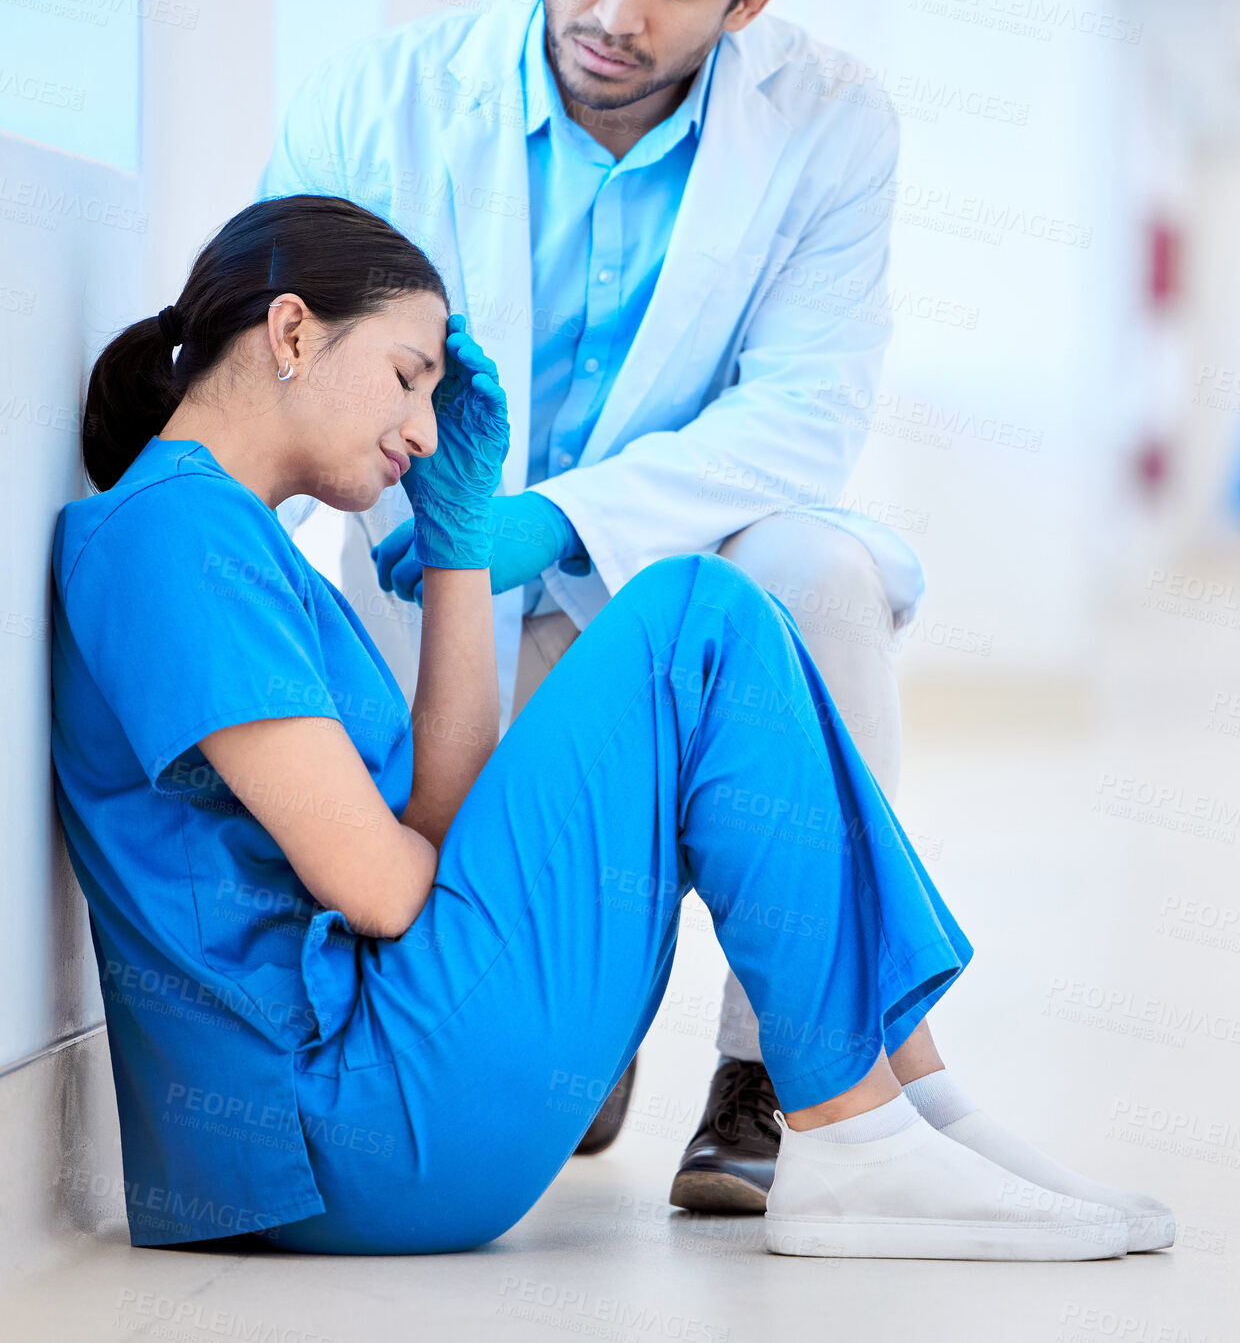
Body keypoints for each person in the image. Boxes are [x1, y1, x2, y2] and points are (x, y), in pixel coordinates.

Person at [50, 196, 1172, 1260]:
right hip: (341, 1123)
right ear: (290, 331)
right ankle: (856, 1129)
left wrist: (457, 548)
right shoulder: (166, 534)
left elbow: (437, 826)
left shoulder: (240, 548)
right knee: (697, 612)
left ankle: (905, 1105)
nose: (424, 431)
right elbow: (389, 891)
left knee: (716, 615)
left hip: (383, 1100)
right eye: (406, 376)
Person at [256, 0, 926, 1195]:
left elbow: (805, 415)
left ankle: (777, 1068)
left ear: (752, 2)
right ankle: (578, 1018)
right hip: (418, 588)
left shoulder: (831, 126)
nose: (619, 13)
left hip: (665, 568)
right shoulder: (379, 108)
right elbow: (270, 374)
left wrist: (558, 519)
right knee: (483, 937)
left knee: (819, 571)